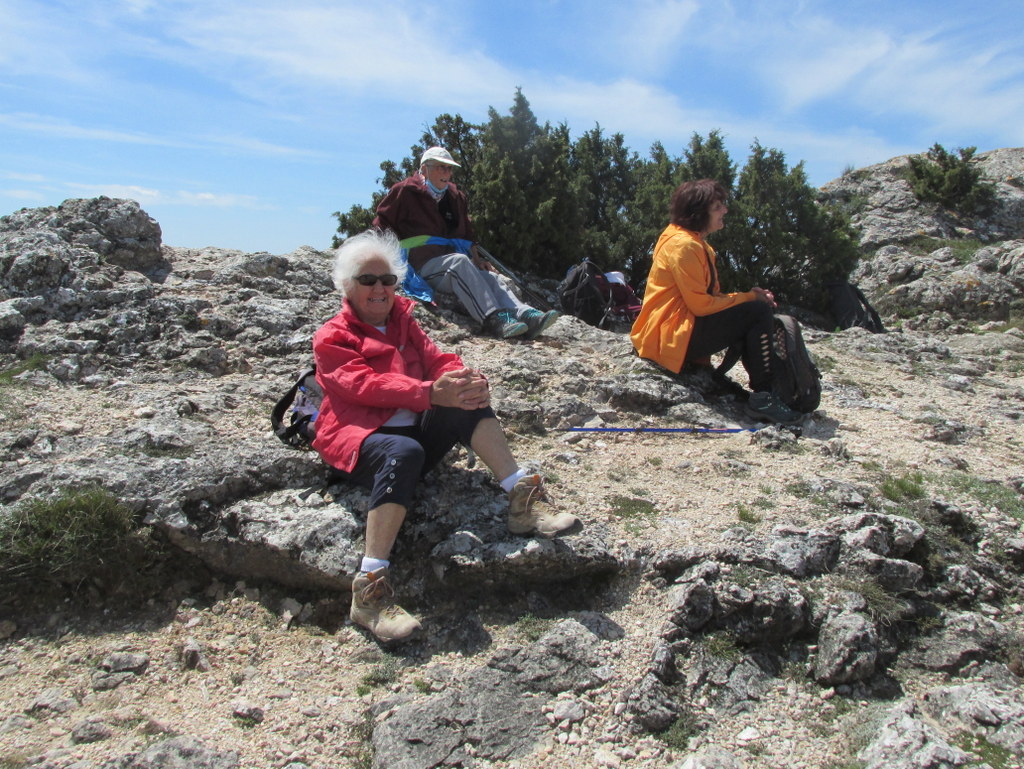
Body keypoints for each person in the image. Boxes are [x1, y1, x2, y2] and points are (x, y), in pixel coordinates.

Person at [311, 229, 579, 643]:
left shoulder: (403, 319)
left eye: (387, 280)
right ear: (347, 286)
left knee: (463, 400)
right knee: (403, 452)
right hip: (361, 441)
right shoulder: (332, 337)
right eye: (368, 280)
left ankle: (521, 498)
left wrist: (466, 379)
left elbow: (438, 360)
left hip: (414, 434)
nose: (380, 289)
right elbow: (361, 385)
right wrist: (427, 392)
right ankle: (369, 590)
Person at [630, 179, 802, 425]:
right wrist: (750, 298)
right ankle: (764, 397)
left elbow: (707, 299)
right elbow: (701, 305)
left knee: (751, 310)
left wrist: (746, 298)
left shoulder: (692, 242)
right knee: (756, 311)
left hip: (669, 331)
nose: (725, 211)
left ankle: (764, 392)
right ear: (699, 213)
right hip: (667, 336)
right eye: (718, 206)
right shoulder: (684, 245)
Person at [373, 146, 560, 340]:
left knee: (490, 277)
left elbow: (467, 234)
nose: (447, 173)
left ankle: (524, 314)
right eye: (441, 167)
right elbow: (382, 225)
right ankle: (494, 319)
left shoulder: (455, 197)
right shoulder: (404, 191)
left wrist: (479, 262)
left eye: (449, 168)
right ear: (424, 169)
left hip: (449, 258)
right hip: (422, 263)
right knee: (459, 263)